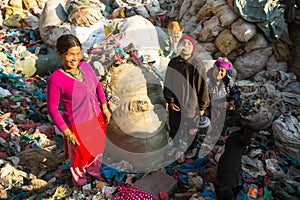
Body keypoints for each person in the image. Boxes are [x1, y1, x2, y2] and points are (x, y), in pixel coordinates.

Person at [47, 34, 111, 187]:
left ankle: (95, 174)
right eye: (70, 54)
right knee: (78, 157)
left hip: (96, 118)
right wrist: (67, 132)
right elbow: (52, 109)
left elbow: (97, 87)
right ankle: (80, 183)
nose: (75, 58)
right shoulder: (56, 80)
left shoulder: (86, 67)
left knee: (96, 149)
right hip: (77, 125)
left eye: (78, 53)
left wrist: (105, 107)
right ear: (60, 54)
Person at [163, 35, 210, 151]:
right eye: (183, 43)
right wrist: (170, 100)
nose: (185, 46)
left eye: (189, 44)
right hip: (176, 104)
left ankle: (190, 149)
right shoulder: (173, 63)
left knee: (191, 128)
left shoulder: (197, 64)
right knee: (175, 126)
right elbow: (168, 82)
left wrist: (202, 106)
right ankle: (176, 147)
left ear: (193, 48)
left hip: (192, 105)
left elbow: (203, 87)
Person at [206, 59, 241, 126]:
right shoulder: (206, 81)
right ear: (213, 69)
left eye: (222, 71)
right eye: (218, 69)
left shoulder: (228, 81)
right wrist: (220, 105)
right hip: (211, 106)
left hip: (225, 105)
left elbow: (236, 92)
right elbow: (202, 101)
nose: (219, 73)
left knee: (238, 105)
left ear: (225, 73)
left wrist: (232, 101)